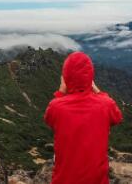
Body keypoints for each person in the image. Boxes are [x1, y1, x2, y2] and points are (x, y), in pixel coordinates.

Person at [44, 51, 123, 184]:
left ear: (65, 77)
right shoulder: (105, 104)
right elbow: (117, 117)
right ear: (91, 76)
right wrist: (97, 90)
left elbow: (49, 119)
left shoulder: (56, 106)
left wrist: (61, 92)